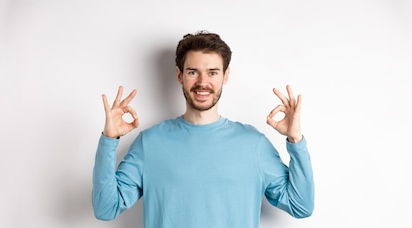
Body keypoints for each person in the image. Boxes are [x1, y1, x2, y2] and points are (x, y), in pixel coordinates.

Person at [92, 31, 314, 228]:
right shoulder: (150, 143)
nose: (202, 81)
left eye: (212, 72)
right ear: (180, 75)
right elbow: (105, 209)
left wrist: (296, 140)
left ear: (225, 76)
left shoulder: (253, 144)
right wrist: (109, 140)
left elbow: (301, 206)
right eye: (193, 72)